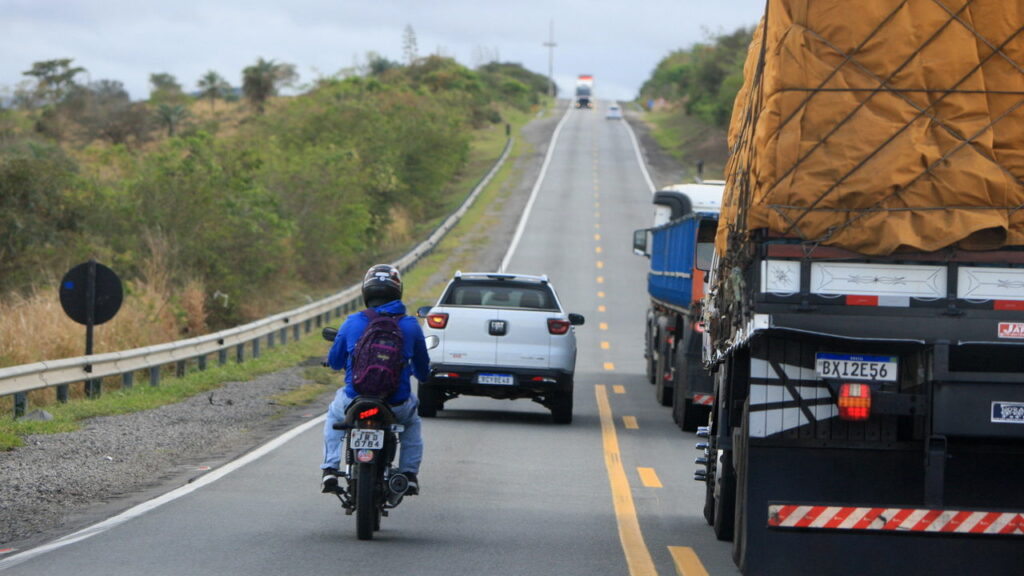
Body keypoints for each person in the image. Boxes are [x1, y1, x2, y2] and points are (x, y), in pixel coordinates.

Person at [321, 264, 430, 495]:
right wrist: (421, 374)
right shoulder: (410, 325)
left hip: (354, 399)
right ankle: (409, 474)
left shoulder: (353, 322)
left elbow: (336, 362)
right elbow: (422, 370)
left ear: (366, 292)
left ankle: (330, 468)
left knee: (333, 415)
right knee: (412, 423)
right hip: (396, 404)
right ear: (397, 292)